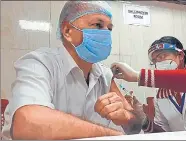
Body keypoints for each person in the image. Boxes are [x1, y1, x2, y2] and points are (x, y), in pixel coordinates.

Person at [2, 1, 142, 140]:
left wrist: (126, 116)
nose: (106, 33)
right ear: (67, 31)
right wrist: (112, 135)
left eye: (109, 28)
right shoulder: (39, 63)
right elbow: (27, 123)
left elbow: (135, 126)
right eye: (98, 25)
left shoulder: (104, 74)